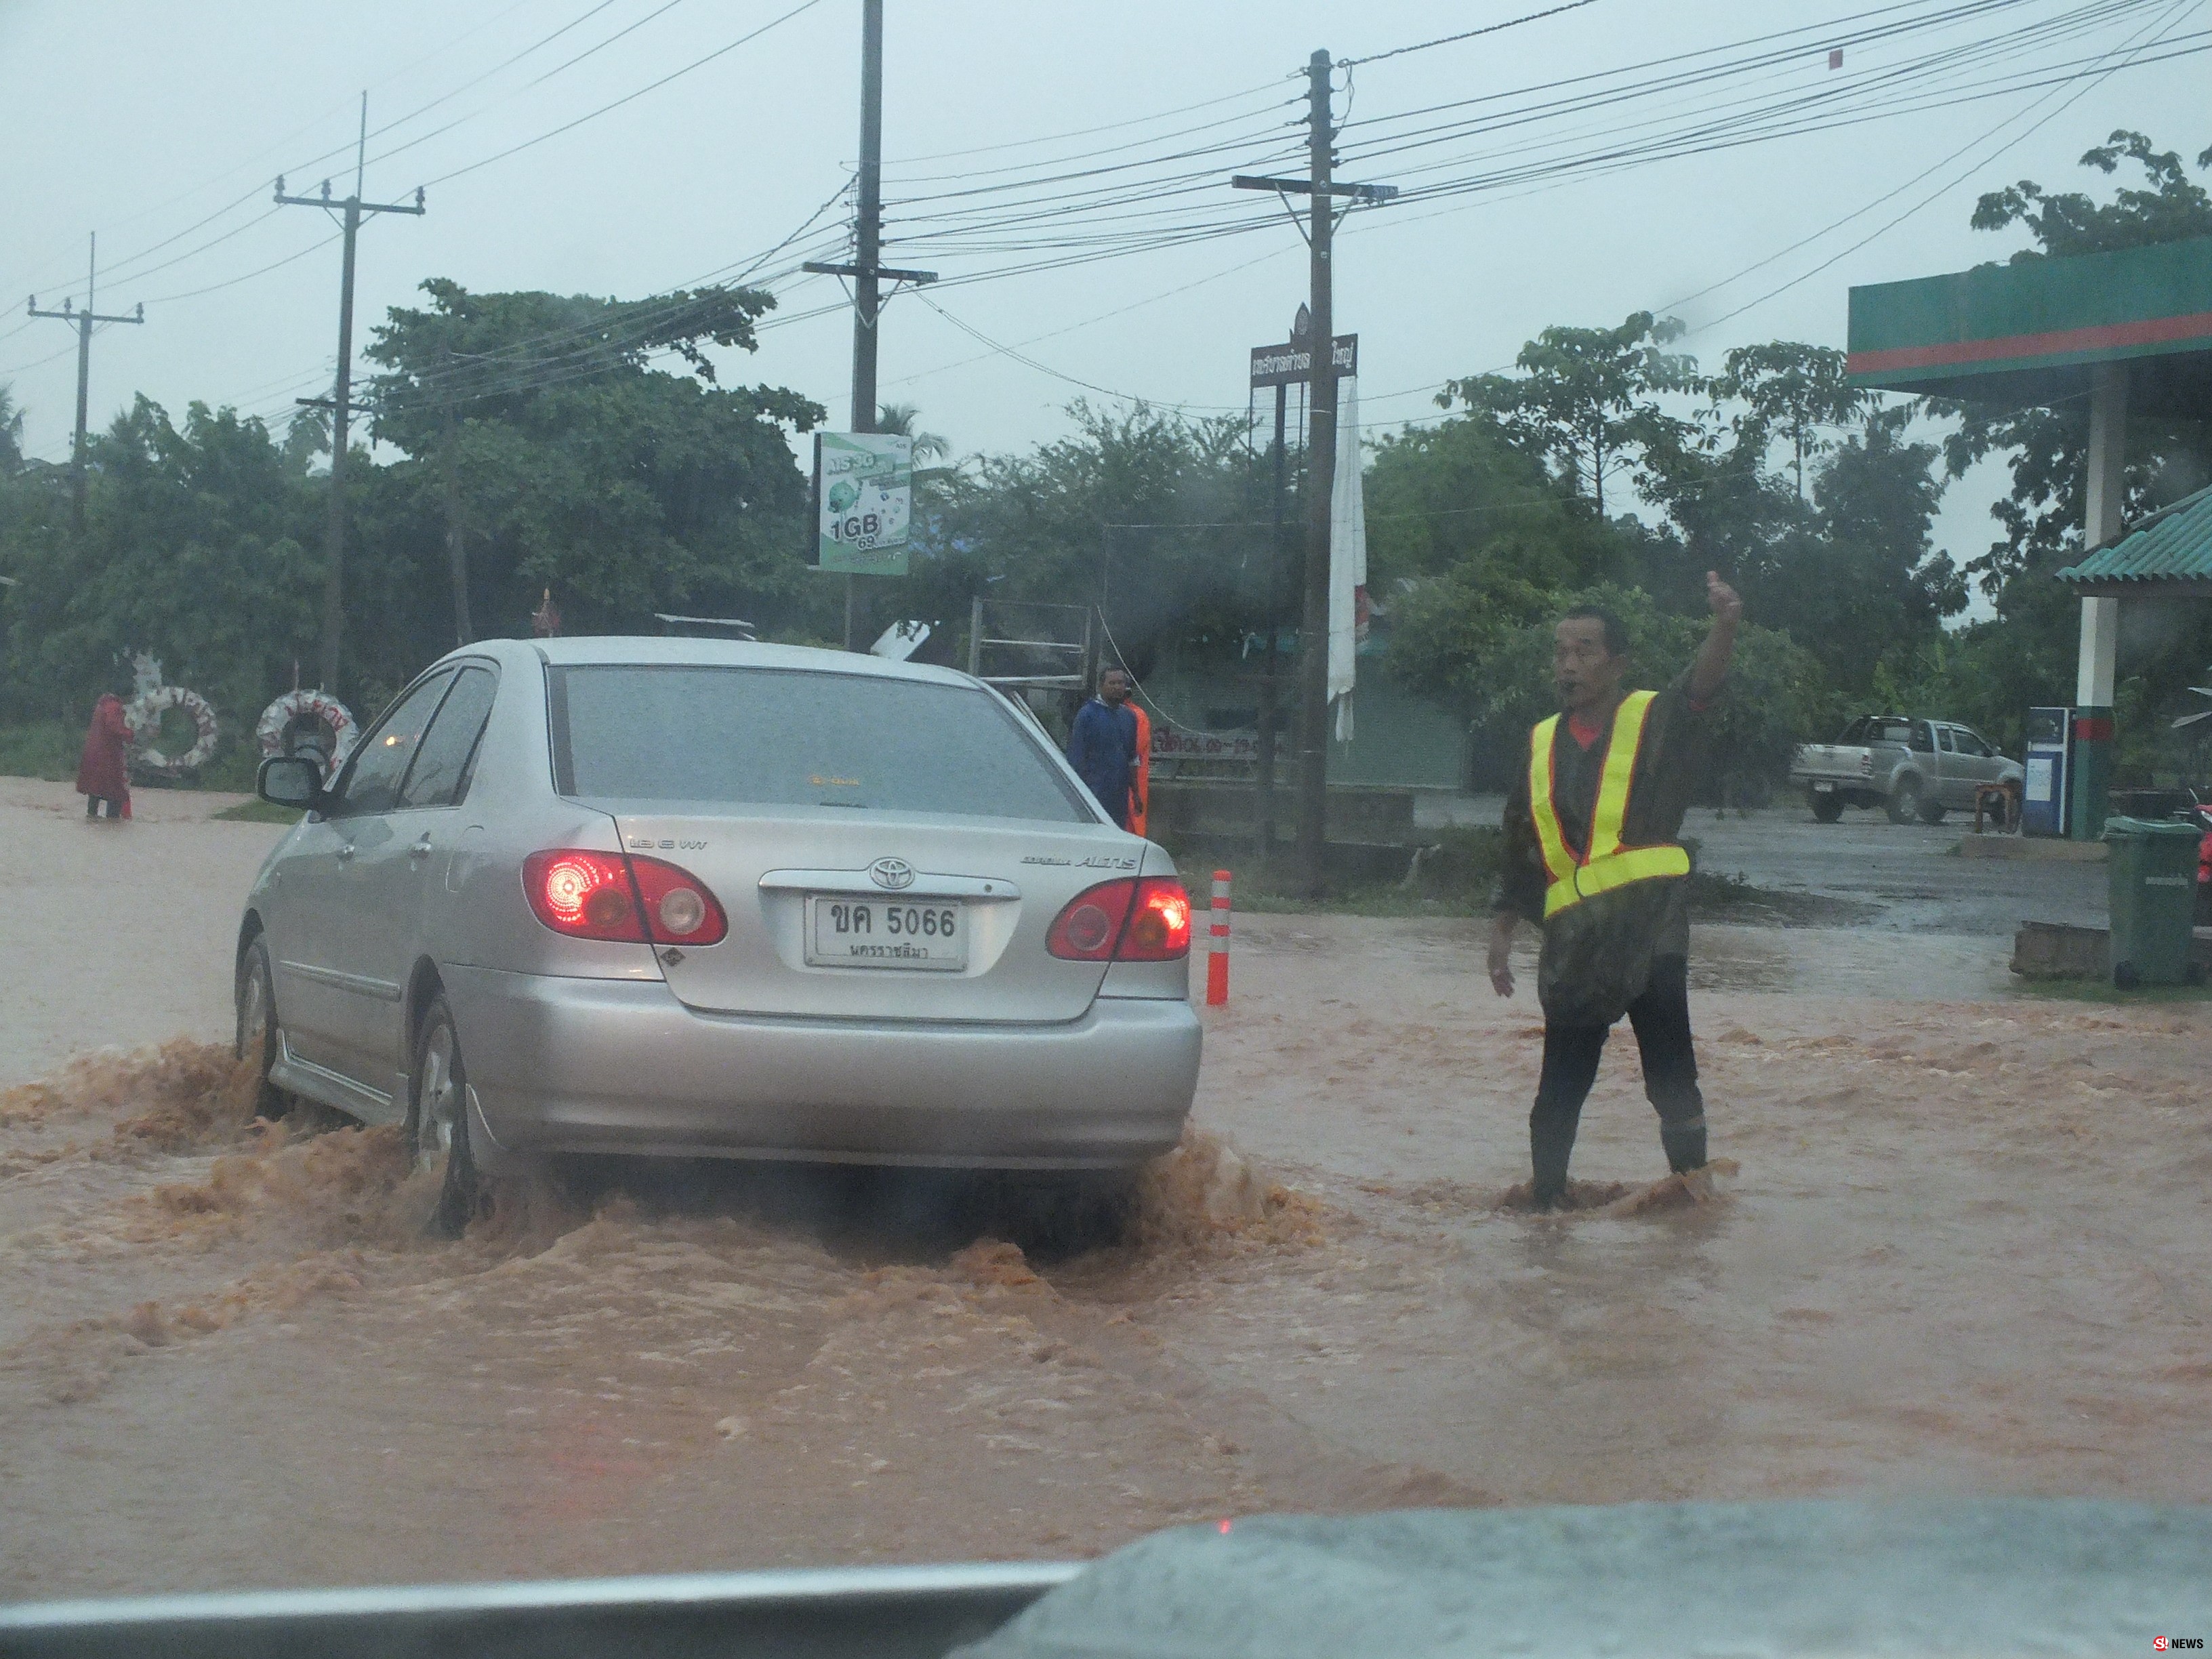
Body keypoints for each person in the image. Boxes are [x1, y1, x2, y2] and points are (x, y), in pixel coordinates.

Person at [1488, 572, 1743, 1210]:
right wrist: (1501, 928)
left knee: (1672, 1080)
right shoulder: (1540, 743)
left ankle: (1696, 1201)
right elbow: (1519, 837)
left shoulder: (1653, 718)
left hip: (1652, 935)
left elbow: (1701, 687)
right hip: (1577, 946)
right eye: (1561, 652)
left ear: (1617, 663)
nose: (1568, 666)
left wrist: (1725, 626)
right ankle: (1546, 1210)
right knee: (1559, 1092)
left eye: (1584, 652)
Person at [1067, 666, 1139, 828]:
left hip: (1119, 796)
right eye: (1112, 683)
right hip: (1093, 794)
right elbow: (1076, 758)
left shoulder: (1129, 717)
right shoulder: (1087, 715)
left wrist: (1136, 793)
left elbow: (1132, 758)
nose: (1117, 687)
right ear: (1102, 686)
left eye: (1120, 683)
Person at [76, 677, 136, 823]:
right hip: (108, 756)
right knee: (116, 794)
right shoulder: (114, 707)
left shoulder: (102, 704)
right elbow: (114, 727)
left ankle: (91, 819)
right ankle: (113, 822)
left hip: (93, 754)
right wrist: (130, 734)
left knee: (94, 792)